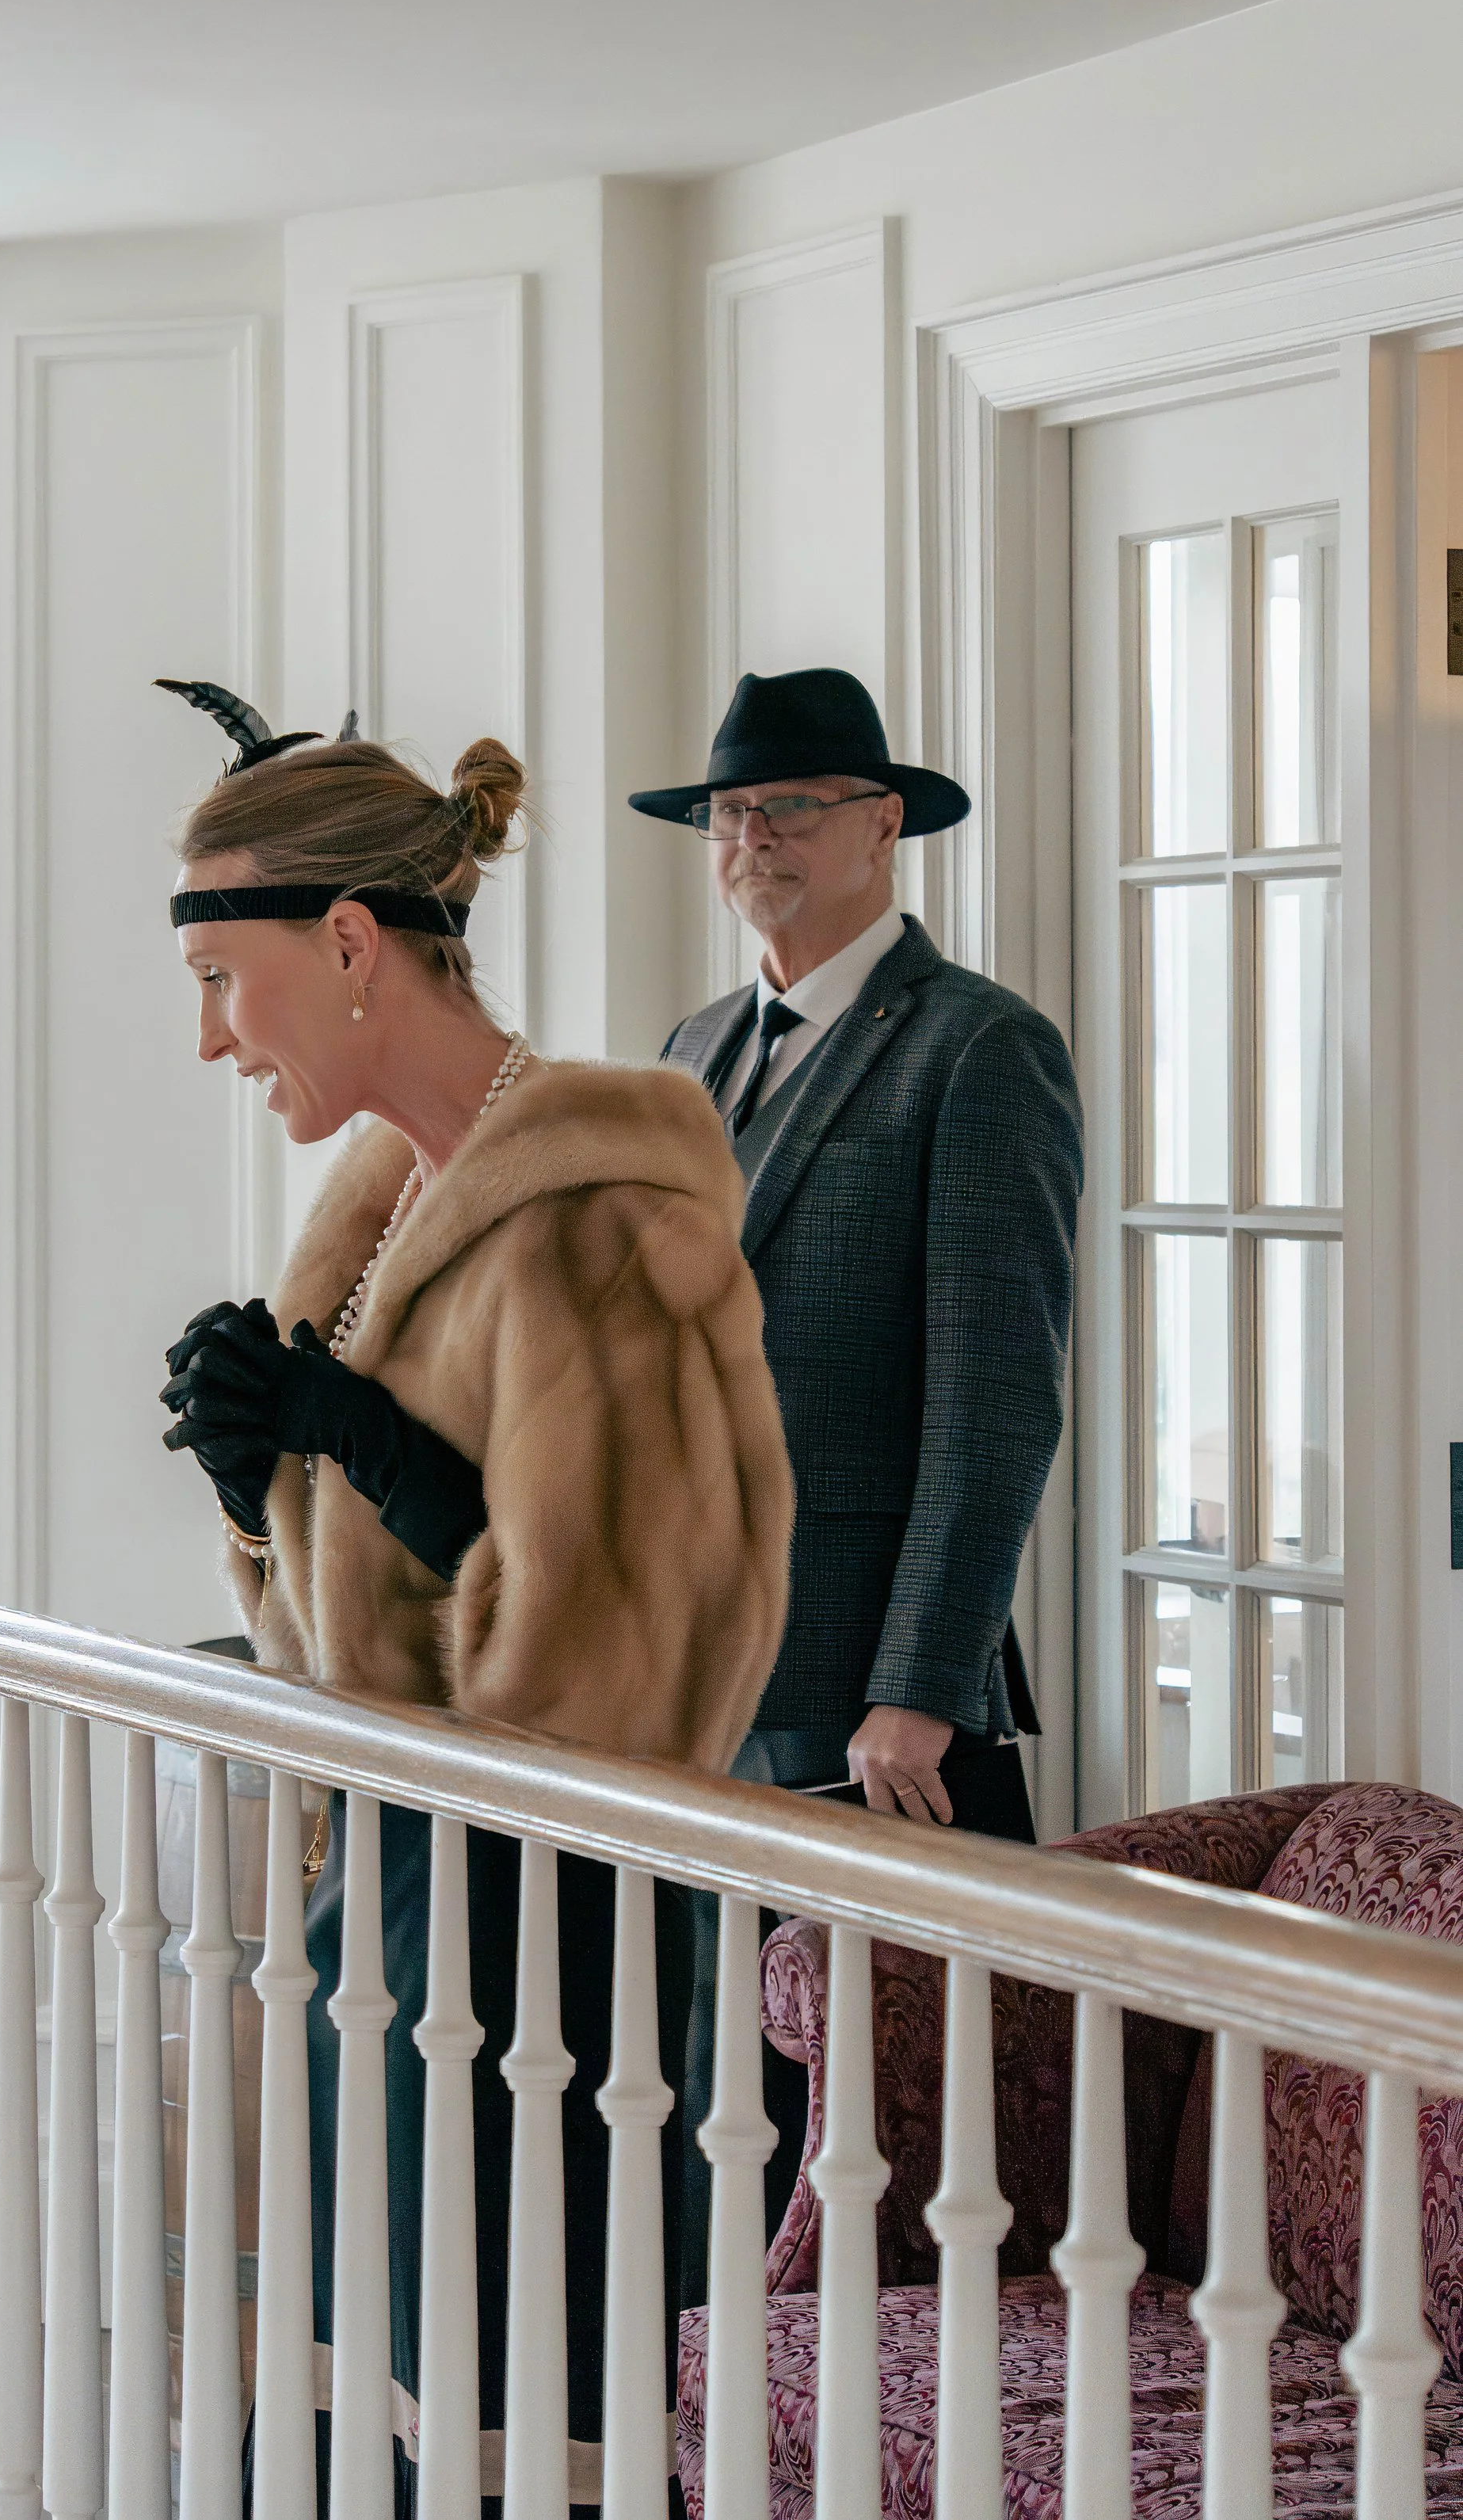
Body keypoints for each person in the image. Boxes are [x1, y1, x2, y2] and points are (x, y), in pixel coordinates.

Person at [154, 682, 793, 2516]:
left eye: (224, 978)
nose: (209, 1039)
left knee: (519, 2441)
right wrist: (257, 1486)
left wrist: (359, 1437)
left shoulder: (599, 1221)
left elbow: (622, 1697)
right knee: (373, 2431)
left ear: (350, 943)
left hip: (553, 1980)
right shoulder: (382, 1212)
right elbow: (359, 1660)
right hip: (408, 1929)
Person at [628, 664, 1083, 2280]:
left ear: (882, 826)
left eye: (792, 807)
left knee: (886, 2143)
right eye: (729, 811)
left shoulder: (976, 1050)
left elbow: (996, 1401)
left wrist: (920, 1682)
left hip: (873, 1708)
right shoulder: (688, 1051)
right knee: (714, 2112)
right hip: (701, 1683)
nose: (752, 836)